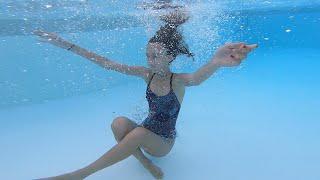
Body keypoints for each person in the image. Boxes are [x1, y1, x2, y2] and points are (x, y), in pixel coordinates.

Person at [33, 9, 258, 180]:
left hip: (163, 142)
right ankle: (146, 165)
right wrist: (67, 45)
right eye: (148, 55)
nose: (150, 60)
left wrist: (217, 61)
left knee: (139, 134)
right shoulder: (145, 74)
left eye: (156, 55)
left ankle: (81, 174)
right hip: (144, 131)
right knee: (119, 123)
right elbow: (107, 64)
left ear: (170, 56)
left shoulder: (177, 81)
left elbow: (197, 78)